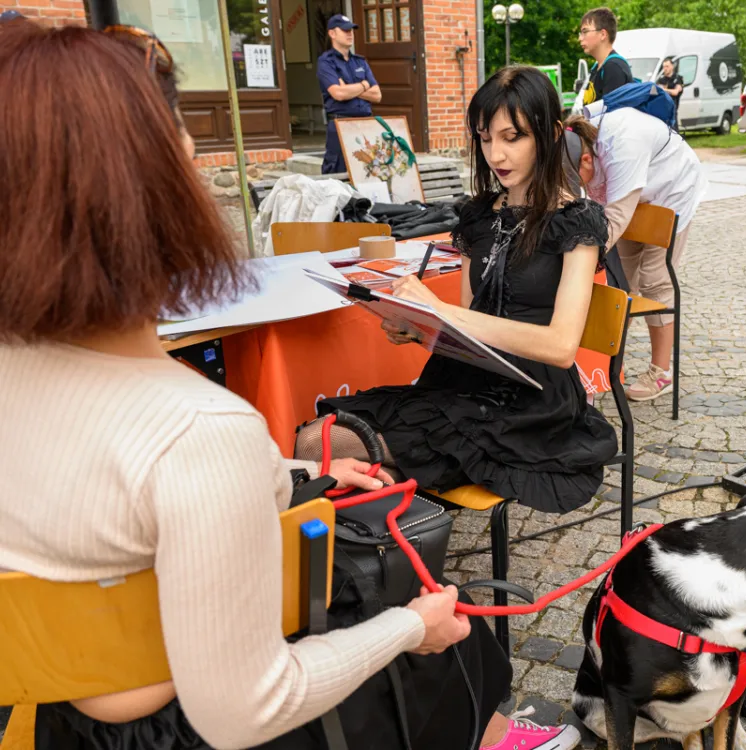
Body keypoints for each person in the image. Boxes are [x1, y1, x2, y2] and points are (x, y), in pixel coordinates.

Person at [0, 22, 578, 750]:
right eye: (190, 159)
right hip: (186, 725)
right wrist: (409, 629)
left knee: (346, 483)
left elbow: (115, 499)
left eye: (512, 137)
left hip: (49, 718)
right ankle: (491, 734)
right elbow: (244, 707)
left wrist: (291, 471)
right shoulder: (199, 431)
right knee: (424, 604)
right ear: (157, 198)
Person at [318, 66, 618, 517]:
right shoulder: (476, 216)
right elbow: (465, 325)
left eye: (512, 137)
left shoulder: (577, 221)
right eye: (484, 137)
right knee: (316, 438)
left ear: (551, 134)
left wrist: (443, 312)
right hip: (463, 385)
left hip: (531, 404)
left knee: (340, 453)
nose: (496, 153)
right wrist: (418, 327)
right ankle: (388, 546)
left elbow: (559, 347)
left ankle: (390, 546)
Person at [563, 108, 706, 402]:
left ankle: (661, 372)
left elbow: (614, 219)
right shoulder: (579, 143)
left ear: (587, 159)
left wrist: (580, 260)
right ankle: (611, 362)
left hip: (672, 189)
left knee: (655, 279)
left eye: (578, 178)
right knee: (622, 281)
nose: (579, 187)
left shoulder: (622, 145)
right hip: (637, 193)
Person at [317, 14, 381, 174]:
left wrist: (353, 89)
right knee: (338, 175)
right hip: (341, 125)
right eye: (345, 30)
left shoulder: (360, 61)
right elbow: (338, 93)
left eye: (351, 30)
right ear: (332, 33)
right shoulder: (326, 62)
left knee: (368, 172)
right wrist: (364, 85)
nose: (350, 34)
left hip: (365, 125)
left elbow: (377, 95)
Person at [578, 7, 633, 107]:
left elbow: (611, 116)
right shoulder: (597, 66)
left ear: (603, 34)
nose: (580, 38)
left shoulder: (614, 67)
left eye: (585, 32)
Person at [656, 57, 684, 131]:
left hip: (673, 108)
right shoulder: (661, 79)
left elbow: (675, 92)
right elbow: (656, 91)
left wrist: (664, 89)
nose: (665, 69)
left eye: (667, 66)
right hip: (663, 108)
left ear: (672, 66)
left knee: (674, 129)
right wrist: (666, 90)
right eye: (664, 67)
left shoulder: (678, 78)